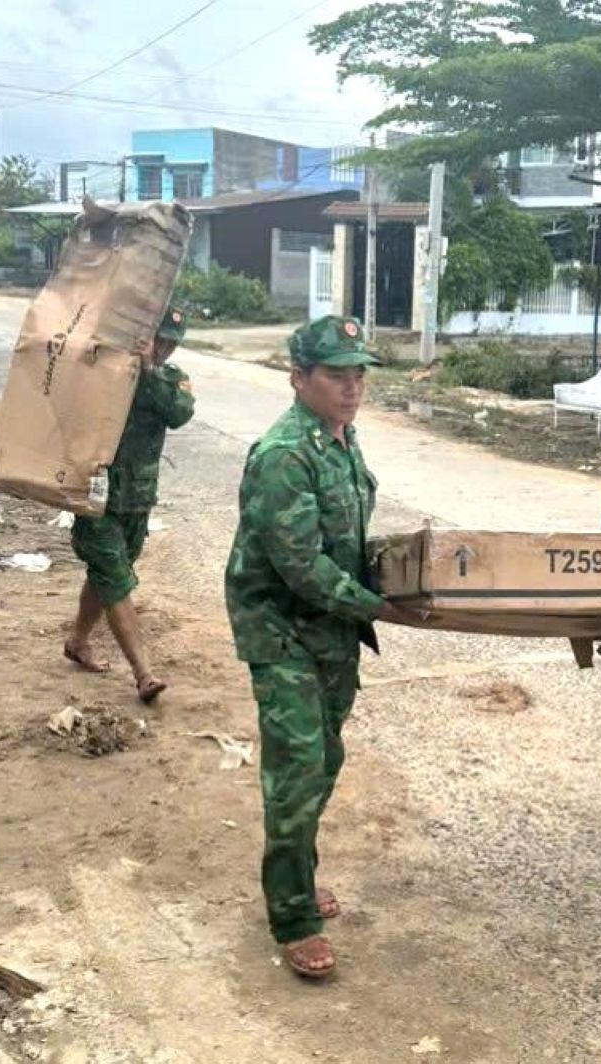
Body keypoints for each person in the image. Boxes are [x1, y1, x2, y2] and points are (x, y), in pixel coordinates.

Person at [224, 315, 417, 980]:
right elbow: (300, 565)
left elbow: (346, 542)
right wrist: (380, 606)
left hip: (329, 629)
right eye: (337, 374)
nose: (352, 385)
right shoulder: (283, 454)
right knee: (298, 768)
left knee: (325, 755)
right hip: (280, 629)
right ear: (299, 378)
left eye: (359, 372)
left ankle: (297, 873)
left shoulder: (340, 441)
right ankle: (293, 915)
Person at [63, 305, 194, 704]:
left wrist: (150, 370)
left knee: (109, 574)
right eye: (160, 339)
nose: (165, 348)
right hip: (96, 494)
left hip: (138, 499)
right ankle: (144, 674)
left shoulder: (171, 380)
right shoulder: (107, 369)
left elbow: (180, 414)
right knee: (115, 578)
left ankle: (78, 640)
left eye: (172, 343)